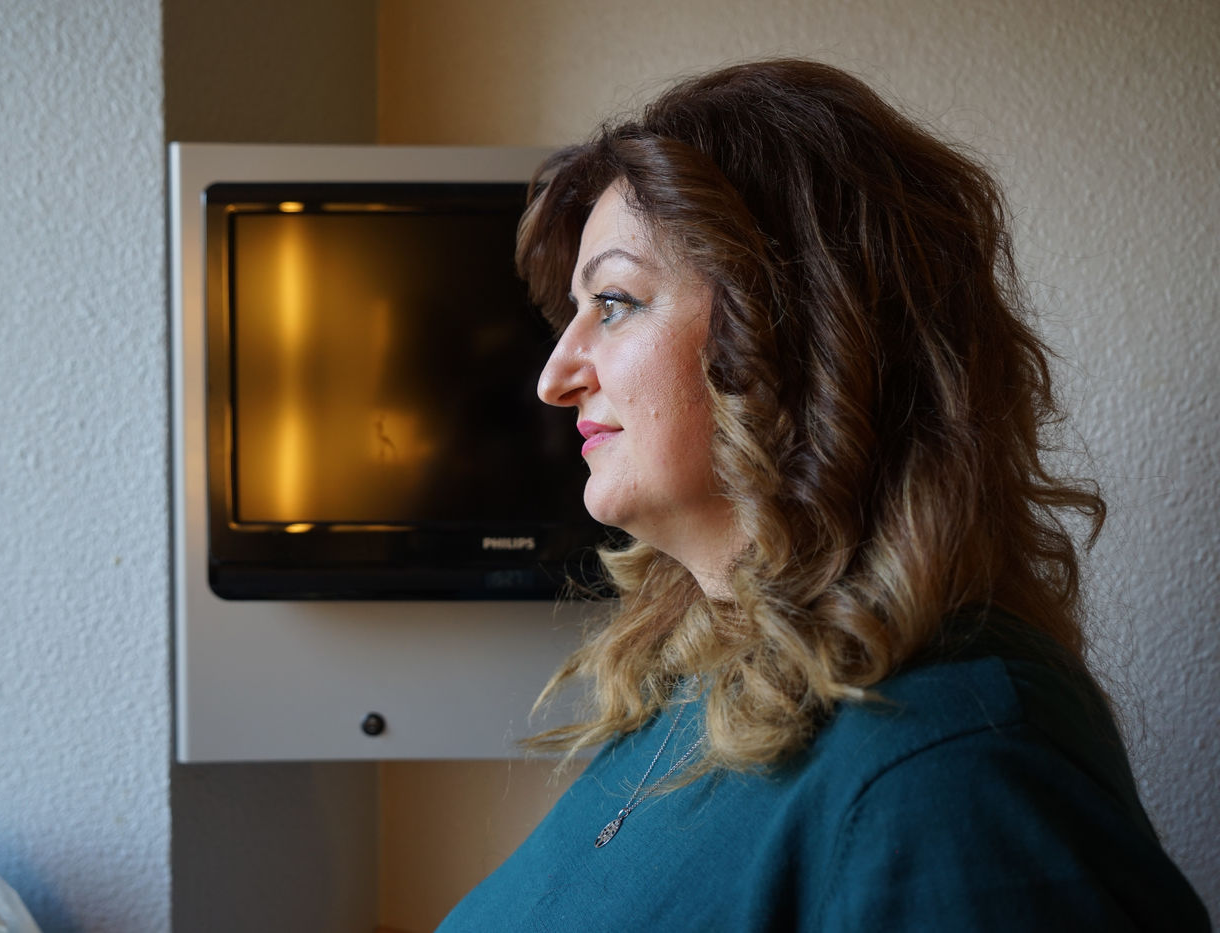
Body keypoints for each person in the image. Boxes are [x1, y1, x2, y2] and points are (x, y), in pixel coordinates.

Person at [438, 59, 1210, 930]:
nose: (554, 377)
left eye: (614, 302)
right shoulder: (703, 677)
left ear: (798, 329)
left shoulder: (953, 769)